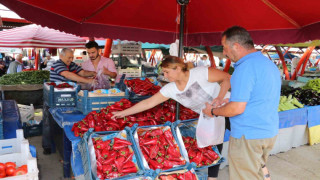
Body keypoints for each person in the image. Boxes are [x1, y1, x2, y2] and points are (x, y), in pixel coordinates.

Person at [112, 56, 231, 180]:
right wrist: (123, 113)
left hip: (229, 106)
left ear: (178, 68)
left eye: (167, 72)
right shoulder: (171, 89)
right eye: (164, 72)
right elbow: (148, 103)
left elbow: (227, 78)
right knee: (213, 142)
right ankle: (213, 177)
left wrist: (219, 98)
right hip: (210, 115)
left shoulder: (200, 72)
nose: (165, 75)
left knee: (242, 140)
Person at [203, 26, 281, 180]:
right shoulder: (267, 64)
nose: (224, 53)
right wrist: (230, 100)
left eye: (224, 48)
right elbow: (259, 96)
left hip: (248, 135)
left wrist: (212, 112)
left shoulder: (244, 68)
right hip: (268, 131)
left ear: (236, 46)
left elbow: (237, 109)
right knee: (257, 174)